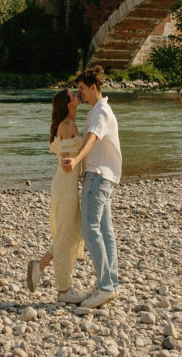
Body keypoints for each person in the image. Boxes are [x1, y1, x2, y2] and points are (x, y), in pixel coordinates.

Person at [61, 64, 122, 309]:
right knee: (105, 232)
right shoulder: (100, 109)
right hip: (104, 176)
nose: (80, 93)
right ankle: (110, 284)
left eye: (82, 89)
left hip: (97, 177)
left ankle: (106, 286)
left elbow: (92, 138)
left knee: (90, 230)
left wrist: (75, 160)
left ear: (93, 87)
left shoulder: (100, 113)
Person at [26, 88, 87, 303]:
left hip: (65, 186)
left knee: (71, 232)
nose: (78, 94)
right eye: (74, 95)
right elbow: (68, 158)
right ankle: (63, 290)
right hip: (65, 187)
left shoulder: (68, 123)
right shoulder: (68, 126)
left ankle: (40, 265)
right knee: (65, 235)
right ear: (69, 104)